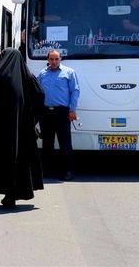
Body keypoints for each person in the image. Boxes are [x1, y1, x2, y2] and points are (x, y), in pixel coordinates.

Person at [0, 48, 45, 207]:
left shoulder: (0, 76)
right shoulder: (28, 77)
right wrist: (31, 119)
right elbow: (40, 95)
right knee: (17, 161)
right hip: (20, 131)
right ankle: (11, 196)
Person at [37, 49, 80, 181]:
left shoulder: (69, 72)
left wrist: (72, 110)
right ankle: (47, 170)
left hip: (62, 112)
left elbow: (75, 91)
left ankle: (67, 170)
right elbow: (37, 91)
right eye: (51, 59)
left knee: (65, 142)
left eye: (56, 59)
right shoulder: (42, 73)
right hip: (46, 112)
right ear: (48, 60)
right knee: (47, 143)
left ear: (61, 59)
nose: (54, 61)